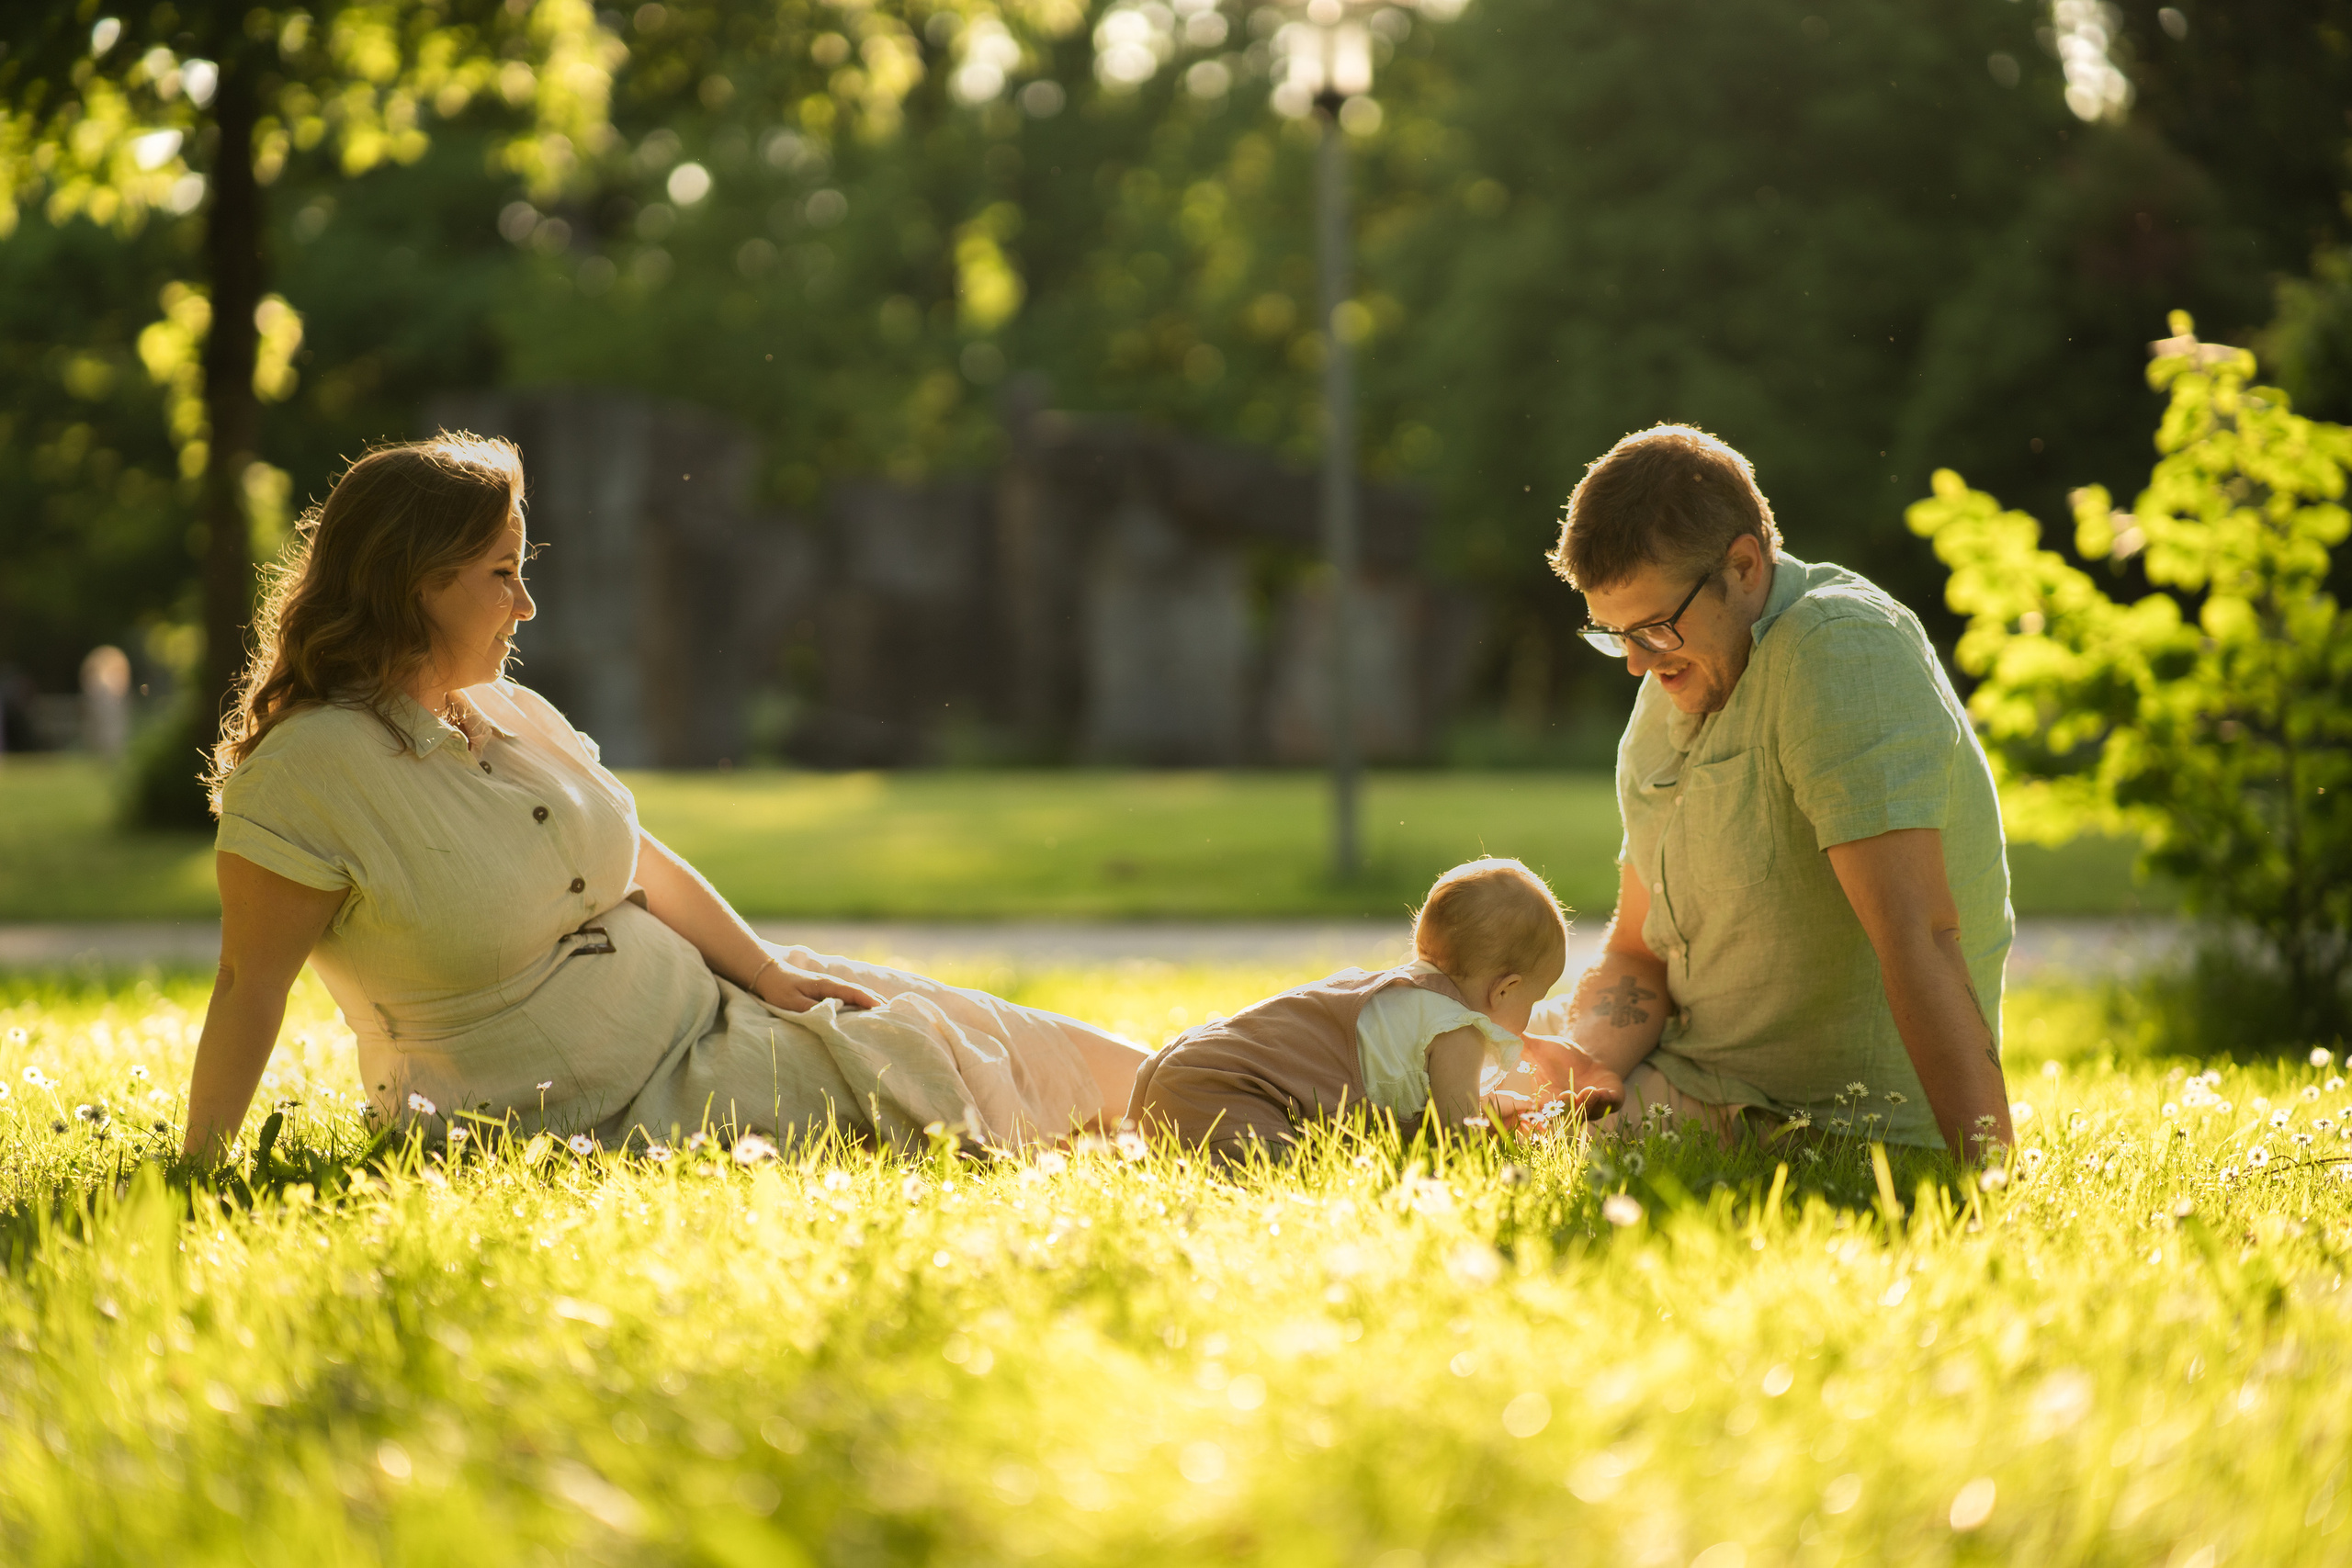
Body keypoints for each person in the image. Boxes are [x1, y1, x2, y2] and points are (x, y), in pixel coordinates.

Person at [182, 434, 1147, 1163]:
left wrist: (767, 972)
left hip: (722, 1013)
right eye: (500, 575)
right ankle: (1278, 1089)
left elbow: (634, 860)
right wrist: (200, 1171)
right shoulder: (315, 768)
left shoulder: (506, 711)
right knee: (983, 1093)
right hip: (609, 1106)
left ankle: (1281, 1070)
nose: (525, 606)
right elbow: (246, 984)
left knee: (1077, 1059)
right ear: (414, 587)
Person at [1517, 424, 2014, 1159]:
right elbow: (1638, 953)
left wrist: (1989, 1178)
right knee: (1406, 1040)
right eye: (1616, 635)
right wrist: (1581, 1069)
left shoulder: (1835, 648)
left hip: (1821, 1124)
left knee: (1453, 1135)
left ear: (1745, 565)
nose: (1635, 663)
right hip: (1690, 1076)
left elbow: (1923, 937)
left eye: (1652, 627)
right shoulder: (1679, 674)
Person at [1128, 858, 1619, 1162]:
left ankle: (1134, 1152)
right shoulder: (1458, 1028)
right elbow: (1455, 1136)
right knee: (1287, 1172)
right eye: (1532, 1000)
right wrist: (1518, 1144)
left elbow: (1436, 1107)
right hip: (1235, 1095)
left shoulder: (1399, 994)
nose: (1530, 1015)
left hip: (1184, 1065)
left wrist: (1511, 1110)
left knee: (1183, 1153)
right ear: (1506, 989)